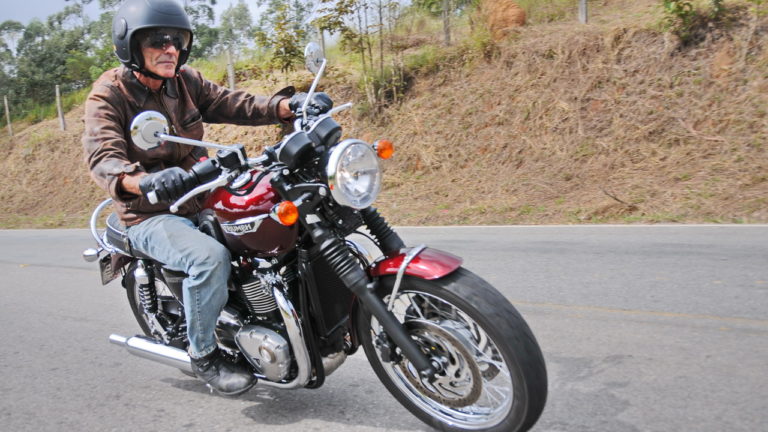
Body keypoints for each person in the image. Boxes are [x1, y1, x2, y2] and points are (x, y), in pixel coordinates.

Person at [82, 0, 331, 396]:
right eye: (158, 40)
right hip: (148, 212)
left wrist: (287, 105)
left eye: (178, 40)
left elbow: (231, 102)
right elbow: (104, 157)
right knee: (209, 258)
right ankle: (204, 354)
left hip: (200, 192)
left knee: (271, 218)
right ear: (131, 46)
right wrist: (142, 181)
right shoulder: (108, 95)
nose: (170, 49)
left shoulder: (184, 81)